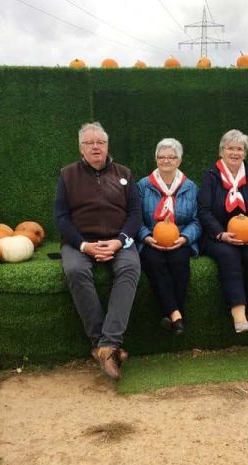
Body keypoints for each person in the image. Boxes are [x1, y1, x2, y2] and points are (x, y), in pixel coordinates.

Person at [54, 122, 141, 381]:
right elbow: (60, 217)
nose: (95, 147)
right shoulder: (67, 175)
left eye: (100, 143)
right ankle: (107, 345)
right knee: (75, 269)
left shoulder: (124, 173)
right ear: (81, 148)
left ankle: (105, 346)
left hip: (118, 240)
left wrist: (120, 240)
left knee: (130, 267)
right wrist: (83, 245)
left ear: (107, 146)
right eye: (89, 143)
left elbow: (136, 213)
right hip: (79, 242)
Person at [198, 129, 248, 333]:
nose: (235, 153)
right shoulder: (211, 176)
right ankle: (238, 311)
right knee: (228, 254)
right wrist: (221, 234)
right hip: (218, 236)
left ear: (245, 153)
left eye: (239, 149)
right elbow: (204, 212)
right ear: (222, 151)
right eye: (230, 148)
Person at [137, 138, 201, 335]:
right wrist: (146, 236)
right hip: (151, 241)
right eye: (161, 157)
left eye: (171, 157)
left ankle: (170, 315)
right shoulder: (142, 185)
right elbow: (134, 218)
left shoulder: (190, 187)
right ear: (156, 160)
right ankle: (177, 316)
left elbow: (197, 221)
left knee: (180, 261)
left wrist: (184, 238)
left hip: (179, 239)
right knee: (154, 262)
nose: (166, 161)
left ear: (179, 161)